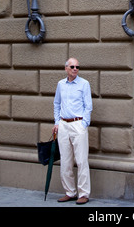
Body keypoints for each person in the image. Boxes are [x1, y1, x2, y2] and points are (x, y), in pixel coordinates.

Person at [53, 57, 92, 205]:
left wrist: (84, 124)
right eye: (72, 67)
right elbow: (56, 103)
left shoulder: (84, 84)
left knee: (81, 160)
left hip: (78, 124)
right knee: (65, 161)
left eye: (77, 67)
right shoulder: (60, 85)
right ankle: (70, 192)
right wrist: (57, 122)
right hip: (63, 125)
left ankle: (84, 193)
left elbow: (88, 106)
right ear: (66, 69)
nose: (75, 69)